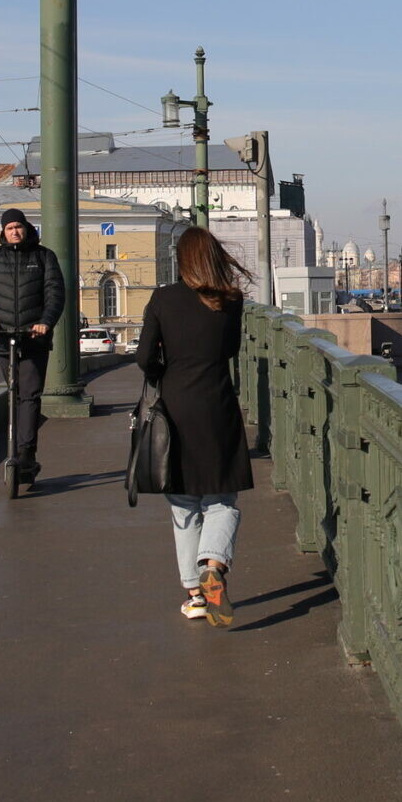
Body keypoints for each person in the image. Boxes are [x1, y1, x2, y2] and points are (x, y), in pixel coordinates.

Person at [137, 226, 255, 626]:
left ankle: (195, 593)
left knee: (184, 503)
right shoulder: (230, 300)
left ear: (181, 259)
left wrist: (161, 372)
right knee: (221, 499)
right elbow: (231, 351)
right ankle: (214, 565)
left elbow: (142, 357)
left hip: (174, 406)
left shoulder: (163, 298)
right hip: (217, 403)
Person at [0, 207, 65, 488]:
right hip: (2, 337)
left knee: (30, 394)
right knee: (15, 393)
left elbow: (55, 292)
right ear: (3, 231)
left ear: (27, 228)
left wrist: (46, 322)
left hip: (33, 337)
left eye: (18, 227)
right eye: (9, 228)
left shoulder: (44, 256)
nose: (15, 231)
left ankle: (26, 453)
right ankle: (16, 449)